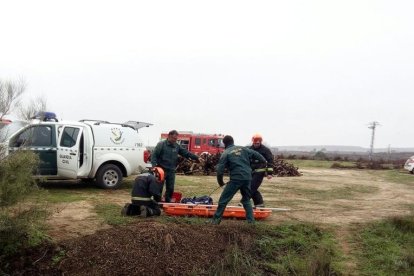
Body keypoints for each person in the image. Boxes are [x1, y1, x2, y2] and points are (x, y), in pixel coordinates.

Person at [210, 135, 267, 225]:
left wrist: (221, 183)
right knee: (246, 199)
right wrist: (258, 165)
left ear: (224, 143)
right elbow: (261, 157)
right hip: (247, 178)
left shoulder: (226, 153)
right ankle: (251, 223)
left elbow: (220, 171)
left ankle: (215, 222)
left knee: (223, 200)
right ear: (233, 141)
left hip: (236, 179)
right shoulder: (244, 149)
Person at [151, 130, 203, 202]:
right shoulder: (161, 144)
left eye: (176, 139)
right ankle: (157, 202)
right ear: (169, 136)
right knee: (158, 187)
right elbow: (154, 156)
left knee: (170, 188)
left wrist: (196, 157)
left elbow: (186, 153)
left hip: (171, 171)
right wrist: (154, 167)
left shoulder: (176, 146)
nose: (175, 140)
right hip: (161, 170)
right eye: (173, 138)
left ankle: (168, 201)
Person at [249, 133, 274, 208]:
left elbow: (270, 161)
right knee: (250, 187)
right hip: (251, 172)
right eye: (255, 143)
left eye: (258, 143)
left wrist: (269, 173)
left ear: (260, 142)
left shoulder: (265, 150)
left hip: (260, 172)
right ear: (253, 142)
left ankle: (244, 200)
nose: (257, 144)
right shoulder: (250, 149)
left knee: (252, 187)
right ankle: (259, 203)